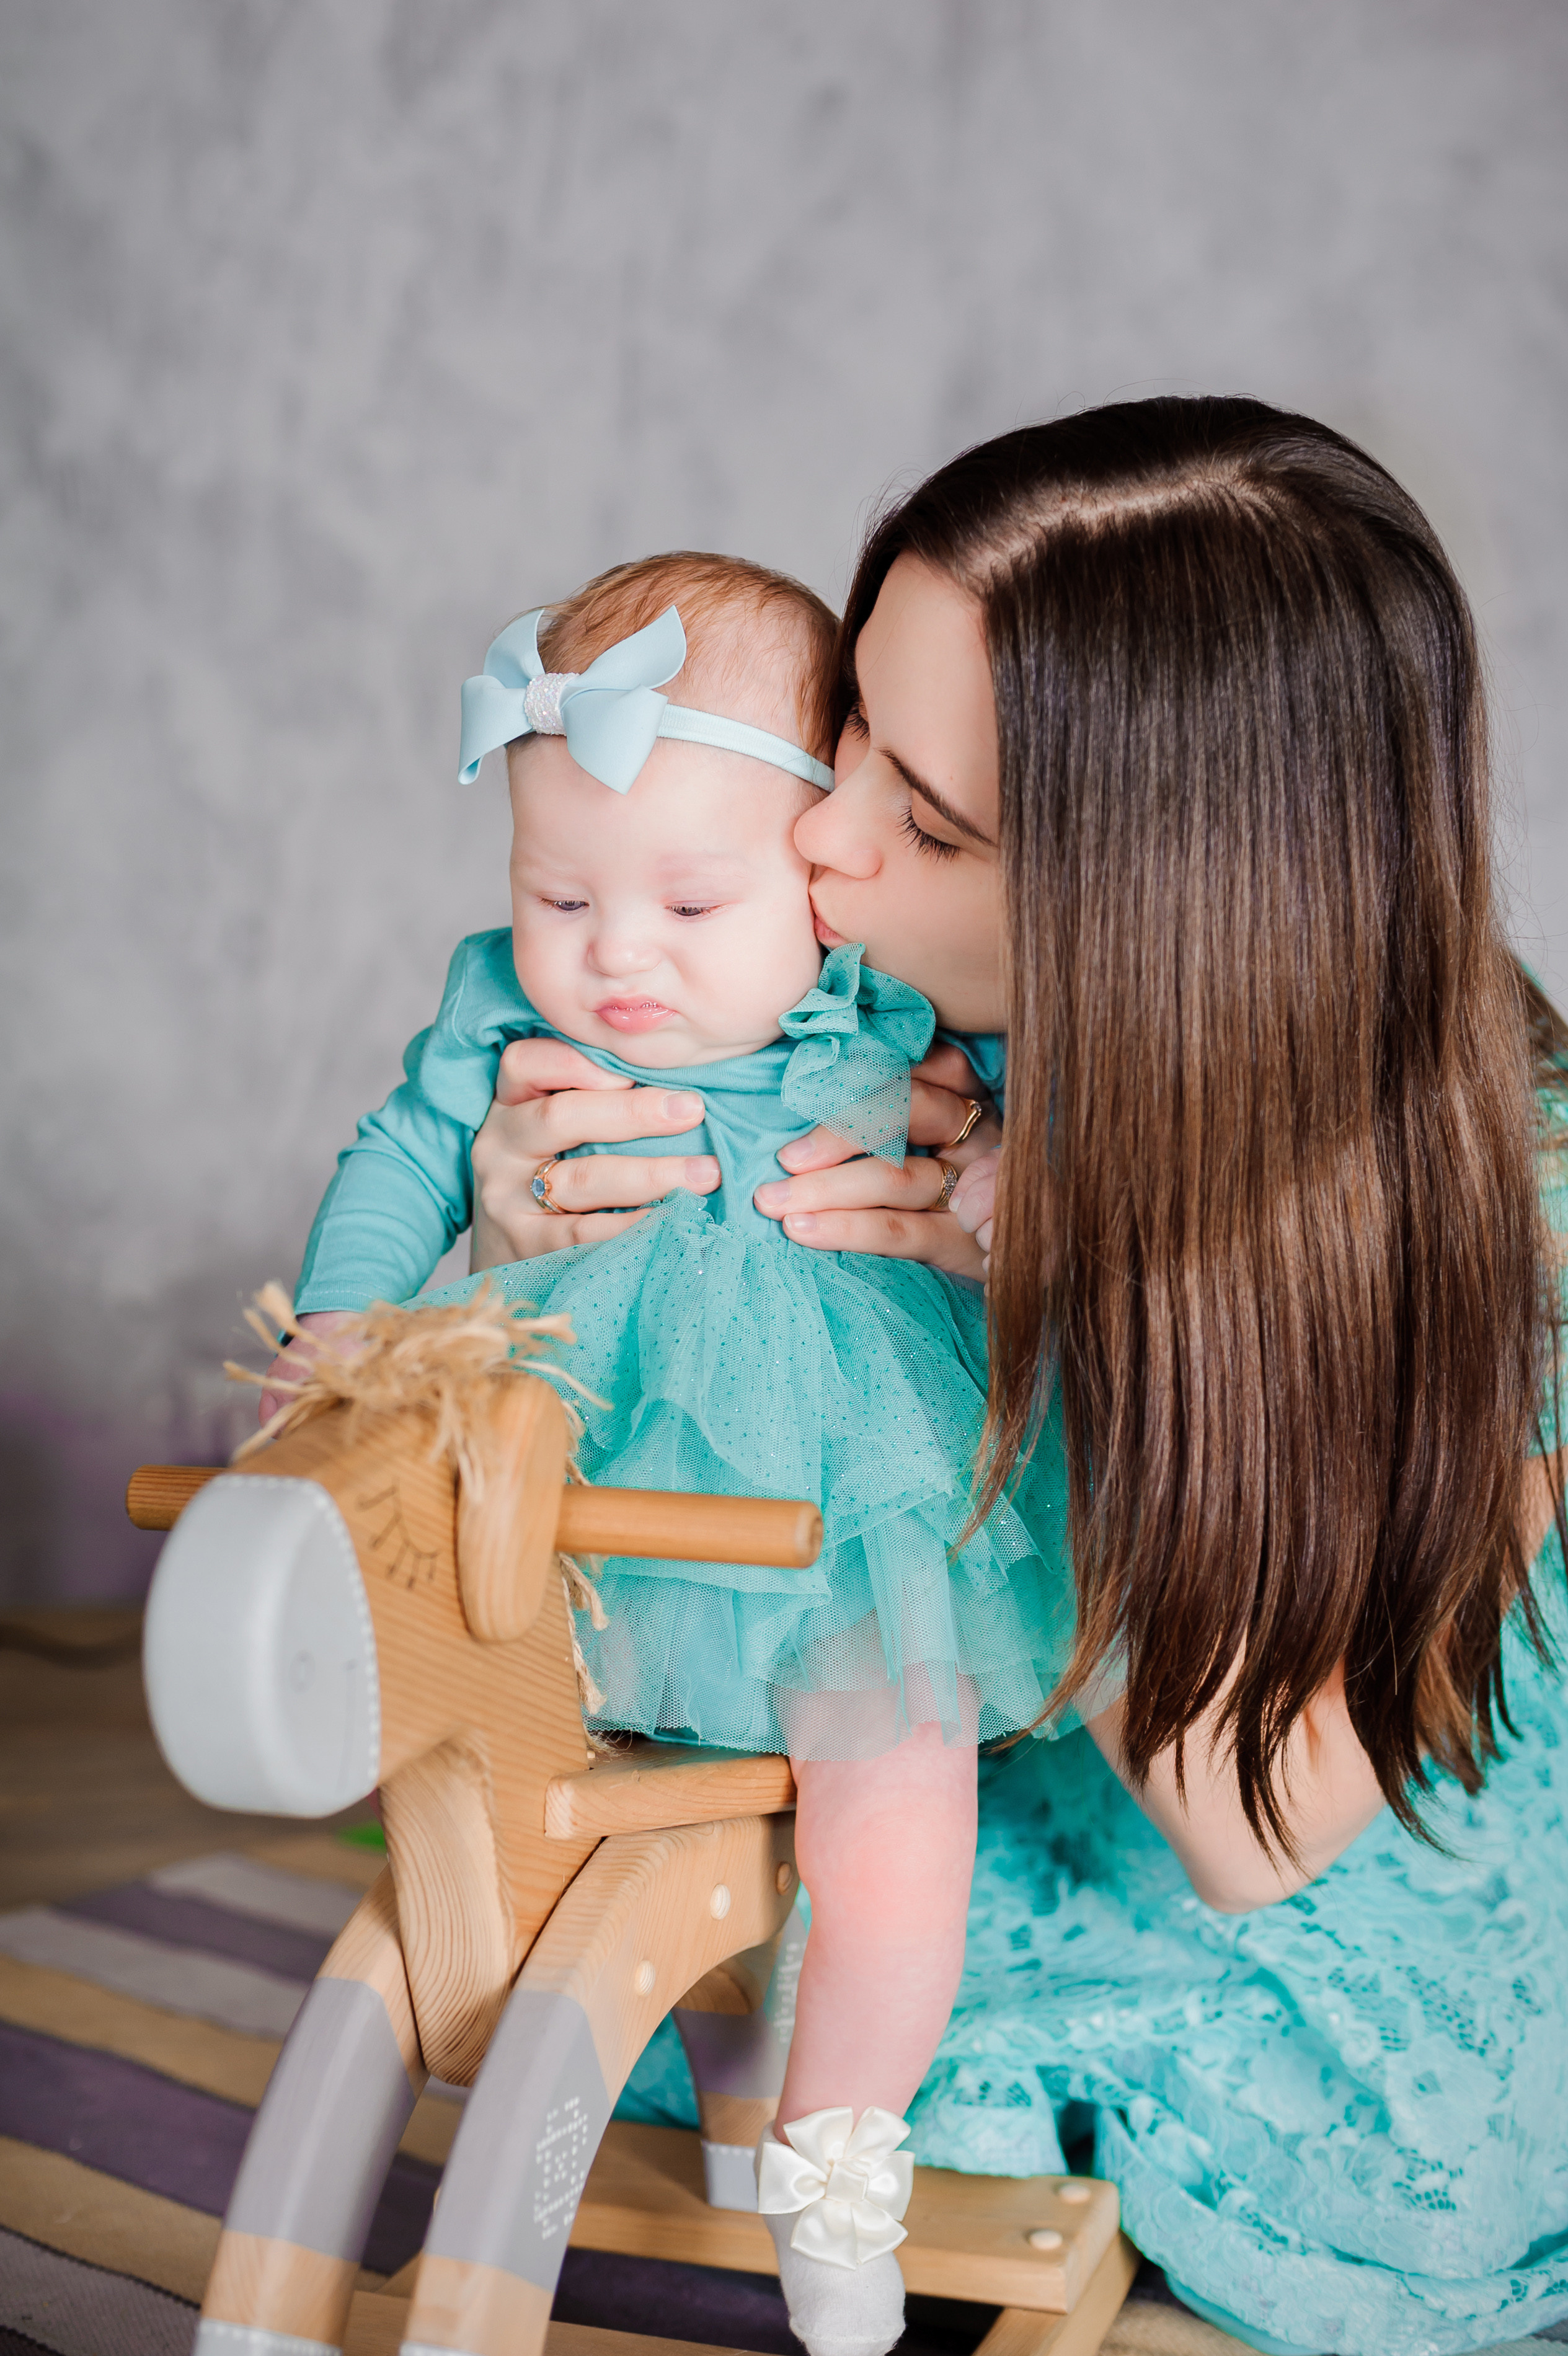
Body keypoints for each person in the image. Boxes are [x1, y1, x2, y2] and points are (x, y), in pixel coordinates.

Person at [466, 400, 1568, 2356]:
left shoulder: (1506, 1223)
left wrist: (1052, 1306)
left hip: (1319, 1841)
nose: (820, 832)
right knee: (663, 1975)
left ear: (1159, 910)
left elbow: (1259, 1830)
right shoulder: (930, 1012)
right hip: (1024, 1729)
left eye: (931, 818)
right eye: (850, 739)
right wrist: (556, 1229)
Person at [267, 550, 1068, 2356]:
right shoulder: (505, 1014)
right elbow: (400, 1155)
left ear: (816, 874)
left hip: (857, 1512)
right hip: (590, 1502)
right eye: (561, 892)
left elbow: (1073, 1106)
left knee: (893, 1823)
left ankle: (837, 2147)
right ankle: (676, 2071)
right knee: (540, 1774)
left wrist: (1027, 1168)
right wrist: (343, 1323)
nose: (615, 955)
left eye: (692, 903)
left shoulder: (883, 1009)